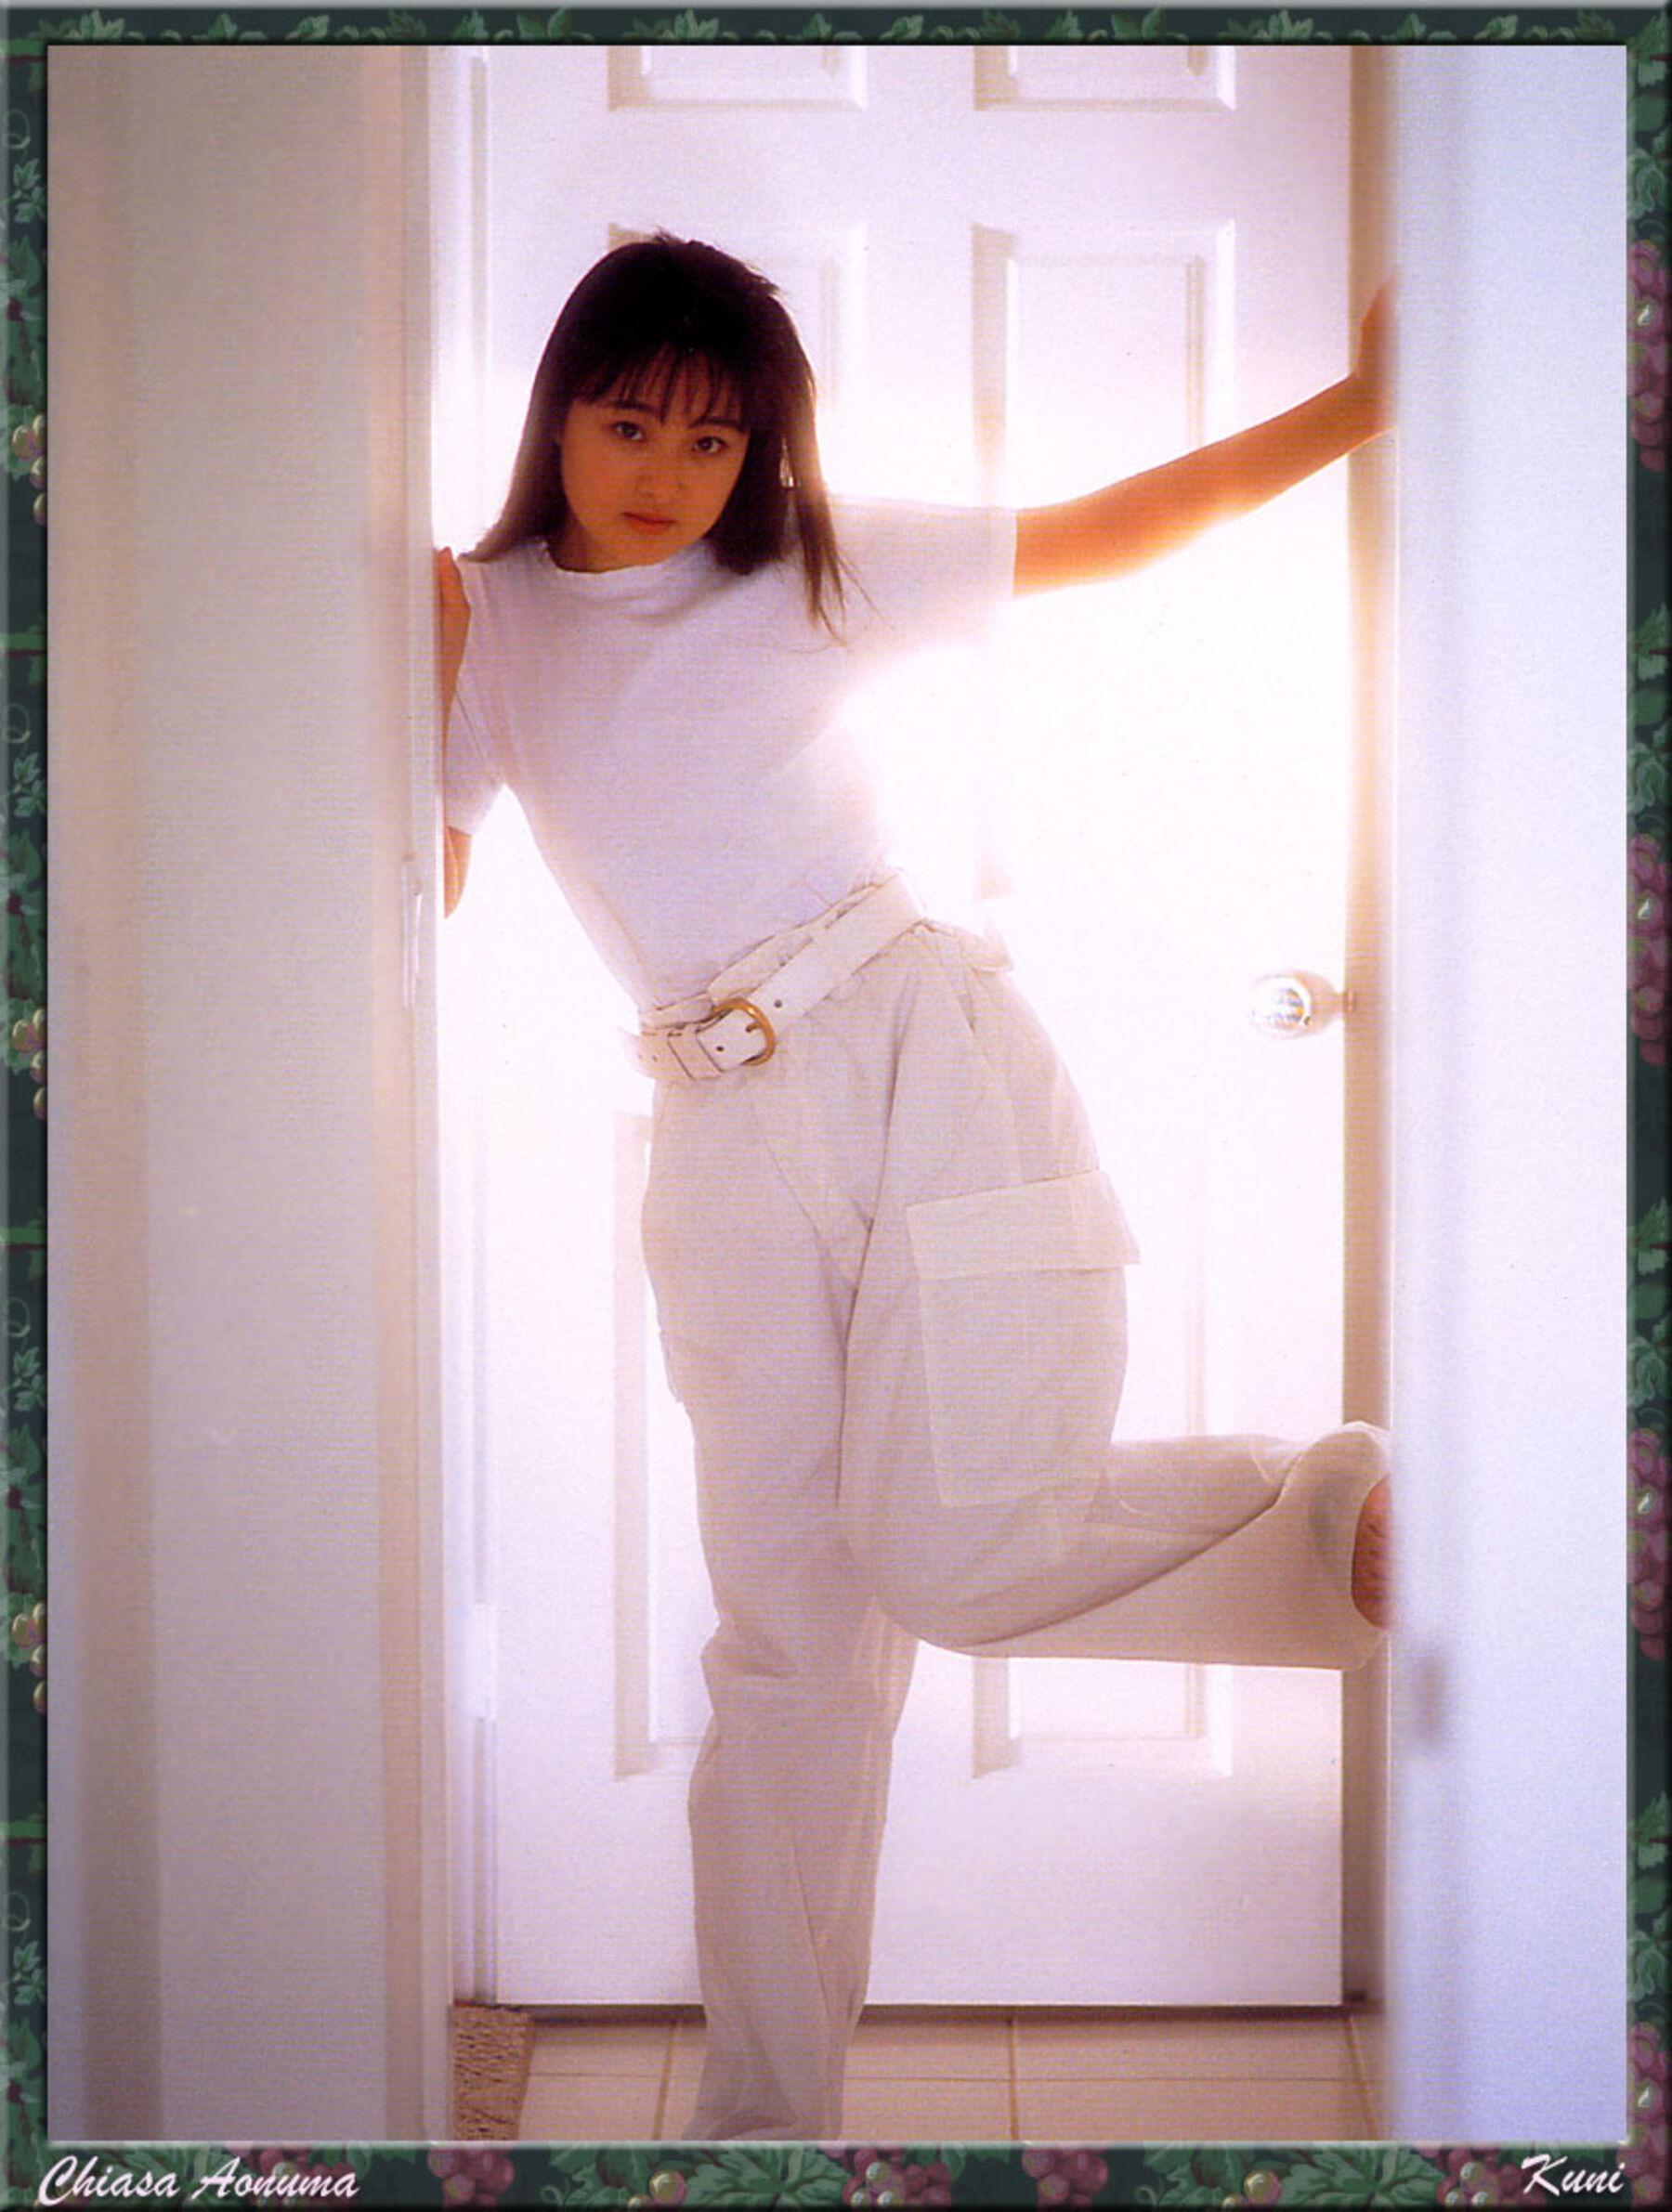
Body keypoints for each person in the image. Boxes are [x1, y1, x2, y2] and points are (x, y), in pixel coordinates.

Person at [437, 233, 1395, 2143]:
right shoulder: (477, 618)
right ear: (558, 418)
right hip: (712, 1125)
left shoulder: (812, 566)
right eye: (628, 425)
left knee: (954, 1552)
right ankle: (764, 2133)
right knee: (786, 1650)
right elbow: (418, 860)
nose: (665, 474)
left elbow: (1111, 531)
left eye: (712, 441)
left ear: (757, 454)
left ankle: (1335, 1505)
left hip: (921, 1047)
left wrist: (1366, 408)